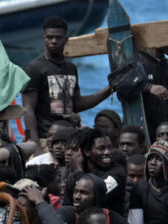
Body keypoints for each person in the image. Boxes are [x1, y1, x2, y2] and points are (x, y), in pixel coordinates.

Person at [22, 16, 113, 148]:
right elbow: (27, 108)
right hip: (46, 139)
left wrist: (109, 89)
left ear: (66, 39)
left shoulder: (71, 68)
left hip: (69, 138)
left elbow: (76, 104)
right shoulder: (34, 68)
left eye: (58, 37)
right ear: (44, 39)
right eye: (49, 37)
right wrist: (34, 145)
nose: (53, 41)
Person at [63, 128, 128, 217]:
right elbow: (67, 209)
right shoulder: (73, 178)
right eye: (101, 148)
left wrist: (78, 170)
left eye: (110, 148)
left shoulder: (117, 173)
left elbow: (97, 194)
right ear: (87, 151)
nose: (108, 152)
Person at [136, 45, 168, 142]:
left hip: (163, 133)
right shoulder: (138, 63)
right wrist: (148, 87)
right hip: (144, 131)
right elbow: (122, 88)